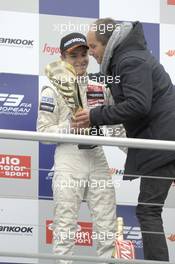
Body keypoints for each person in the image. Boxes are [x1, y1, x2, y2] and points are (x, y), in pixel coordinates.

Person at [75, 18, 175, 261]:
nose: (91, 54)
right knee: (149, 210)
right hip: (163, 141)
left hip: (164, 144)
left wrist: (94, 115)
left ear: (108, 43)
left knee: (148, 210)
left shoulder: (129, 60)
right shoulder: (127, 57)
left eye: (93, 47)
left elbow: (138, 105)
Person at [37, 32, 118, 264]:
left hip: (97, 157)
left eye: (84, 54)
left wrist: (135, 152)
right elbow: (43, 134)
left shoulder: (99, 86)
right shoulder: (51, 89)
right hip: (69, 160)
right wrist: (70, 125)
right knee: (65, 226)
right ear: (62, 57)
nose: (81, 60)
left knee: (107, 225)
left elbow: (117, 124)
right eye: (74, 56)